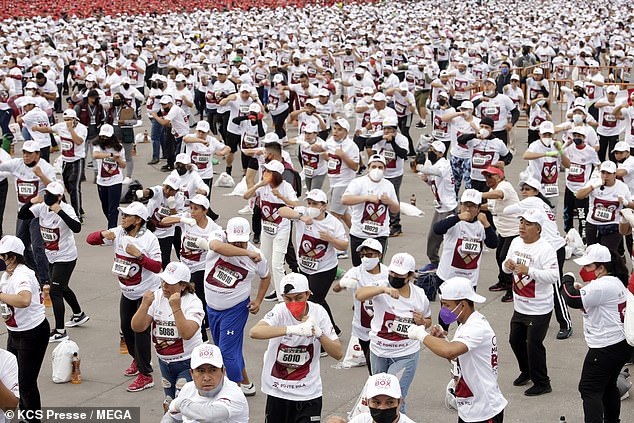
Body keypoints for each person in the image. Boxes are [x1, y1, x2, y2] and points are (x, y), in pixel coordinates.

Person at [408, 277, 507, 423]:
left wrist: (419, 334)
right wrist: (443, 341)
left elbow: (450, 351)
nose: (443, 310)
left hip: (485, 410)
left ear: (463, 305)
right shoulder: (464, 324)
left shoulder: (476, 327)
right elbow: (456, 357)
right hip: (469, 407)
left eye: (447, 305)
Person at [86, 201, 161, 392]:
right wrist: (102, 234)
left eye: (127, 216)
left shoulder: (150, 239)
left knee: (140, 331)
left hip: (146, 294)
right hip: (127, 291)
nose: (123, 218)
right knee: (125, 329)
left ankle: (146, 375)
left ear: (138, 220)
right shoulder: (119, 231)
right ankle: (137, 360)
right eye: (123, 215)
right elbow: (89, 240)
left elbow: (157, 267)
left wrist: (139, 256)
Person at [249, 273, 343, 422]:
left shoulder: (319, 313)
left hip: (308, 395)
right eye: (288, 298)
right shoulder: (280, 310)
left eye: (298, 297)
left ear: (307, 294)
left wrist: (319, 333)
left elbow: (338, 353)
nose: (293, 303)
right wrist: (293, 329)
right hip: (278, 392)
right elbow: (255, 332)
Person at [197, 217, 270, 396]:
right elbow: (216, 247)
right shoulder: (218, 236)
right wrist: (244, 253)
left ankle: (232, 395)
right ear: (226, 234)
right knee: (228, 349)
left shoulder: (258, 257)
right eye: (235, 240)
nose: (239, 243)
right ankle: (246, 383)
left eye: (242, 241)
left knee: (226, 353)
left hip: (235, 309)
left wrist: (259, 300)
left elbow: (266, 277)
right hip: (212, 308)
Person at [562, 244, 633, 423]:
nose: (584, 270)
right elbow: (589, 297)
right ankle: (612, 420)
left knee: (589, 389)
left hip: (605, 348)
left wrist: (567, 279)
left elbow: (572, 298)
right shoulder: (614, 281)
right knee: (608, 386)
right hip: (619, 345)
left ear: (602, 267)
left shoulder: (603, 285)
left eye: (588, 266)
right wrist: (580, 288)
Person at [355, 253, 432, 412]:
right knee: (378, 398)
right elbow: (359, 295)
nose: (394, 276)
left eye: (399, 274)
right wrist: (383, 290)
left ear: (410, 275)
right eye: (392, 272)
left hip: (406, 353)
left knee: (395, 398)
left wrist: (422, 322)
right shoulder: (381, 285)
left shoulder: (419, 296)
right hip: (378, 351)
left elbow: (428, 320)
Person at [501, 177, 572, 340]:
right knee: (538, 282)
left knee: (554, 286)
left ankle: (566, 324)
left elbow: (506, 211)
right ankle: (543, 316)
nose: (524, 192)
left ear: (536, 192)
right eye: (522, 189)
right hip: (542, 247)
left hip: (552, 248)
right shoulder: (541, 204)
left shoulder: (532, 202)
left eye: (528, 189)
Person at [17, 181, 88, 342]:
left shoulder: (67, 209)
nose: (47, 197)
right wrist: (30, 202)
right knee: (62, 287)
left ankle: (60, 331)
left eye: (51, 195)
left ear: (60, 197)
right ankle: (78, 314)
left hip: (66, 256)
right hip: (51, 255)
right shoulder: (41, 207)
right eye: (46, 193)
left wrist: (60, 211)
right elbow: (22, 215)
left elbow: (77, 228)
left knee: (55, 290)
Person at [131, 261, 205, 411]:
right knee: (169, 402)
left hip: (187, 362)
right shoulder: (158, 296)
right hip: (164, 362)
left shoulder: (193, 302)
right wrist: (144, 305)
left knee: (180, 406)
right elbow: (138, 326)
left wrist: (176, 307)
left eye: (170, 282)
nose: (164, 285)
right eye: (163, 280)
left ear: (183, 285)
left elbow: (187, 333)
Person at [502, 209, 558, 396]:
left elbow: (553, 276)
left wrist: (530, 271)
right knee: (515, 340)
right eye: (521, 222)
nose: (522, 226)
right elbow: (506, 266)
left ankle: (543, 382)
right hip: (520, 305)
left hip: (539, 307)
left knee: (534, 344)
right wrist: (507, 266)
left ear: (539, 228)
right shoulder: (516, 242)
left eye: (527, 224)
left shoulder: (545, 249)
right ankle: (526, 371)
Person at [279, 189, 348, 336]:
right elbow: (282, 211)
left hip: (324, 269)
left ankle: (323, 335)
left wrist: (331, 239)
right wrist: (301, 217)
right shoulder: (303, 213)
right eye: (309, 203)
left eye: (315, 204)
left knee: (314, 301)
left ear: (324, 206)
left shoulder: (333, 223)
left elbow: (344, 245)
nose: (311, 207)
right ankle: (333, 328)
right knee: (319, 300)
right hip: (304, 266)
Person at [0, 236, 49, 423]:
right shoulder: (8, 275)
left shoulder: (22, 274)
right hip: (15, 332)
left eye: (3, 257)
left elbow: (24, 300)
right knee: (14, 379)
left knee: (26, 383)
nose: (1, 260)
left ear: (12, 257)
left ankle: (32, 419)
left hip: (32, 334)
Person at [160, 194, 221, 341]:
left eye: (196, 209)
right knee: (187, 295)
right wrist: (181, 219)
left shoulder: (213, 228)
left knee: (196, 296)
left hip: (201, 267)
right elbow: (164, 221)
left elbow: (220, 246)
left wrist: (207, 246)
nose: (192, 211)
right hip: (184, 266)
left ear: (205, 210)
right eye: (191, 208)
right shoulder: (187, 218)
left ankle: (201, 332)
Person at [0, 141, 56, 290]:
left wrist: (41, 176)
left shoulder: (46, 168)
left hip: (38, 213)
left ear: (38, 155)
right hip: (23, 212)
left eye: (29, 153)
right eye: (24, 152)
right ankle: (33, 272)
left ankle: (45, 281)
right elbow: (3, 166)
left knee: (38, 246)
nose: (25, 156)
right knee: (20, 246)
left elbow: (56, 189)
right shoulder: (17, 164)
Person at [243, 160, 299, 302]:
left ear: (276, 175)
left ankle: (283, 298)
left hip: (282, 229)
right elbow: (246, 196)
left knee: (277, 263)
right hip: (267, 229)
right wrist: (259, 184)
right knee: (265, 260)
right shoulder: (263, 186)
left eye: (268, 172)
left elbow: (296, 205)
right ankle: (278, 288)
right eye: (265, 171)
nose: (265, 173)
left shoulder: (286, 187)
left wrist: (281, 197)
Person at [334, 238, 388, 373]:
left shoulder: (387, 272)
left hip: (384, 329)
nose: (365, 258)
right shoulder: (356, 271)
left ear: (379, 255)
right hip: (363, 329)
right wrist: (343, 283)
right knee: (373, 367)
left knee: (379, 364)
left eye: (369, 255)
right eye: (362, 255)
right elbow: (335, 289)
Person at [161, 344, 249, 423]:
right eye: (201, 371)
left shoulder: (233, 393)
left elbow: (210, 416)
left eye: (213, 370)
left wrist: (180, 404)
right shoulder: (187, 389)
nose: (206, 378)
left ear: (223, 371)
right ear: (192, 373)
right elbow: (173, 417)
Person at [342, 154, 399, 266]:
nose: (376, 170)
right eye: (373, 166)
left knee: (376, 267)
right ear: (368, 168)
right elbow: (345, 199)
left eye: (380, 167)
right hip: (359, 234)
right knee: (358, 267)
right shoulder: (358, 182)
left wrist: (389, 201)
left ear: (385, 170)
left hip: (380, 235)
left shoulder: (388, 185)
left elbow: (396, 209)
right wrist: (366, 198)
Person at [31, 108, 86, 221]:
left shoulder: (82, 128)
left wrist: (71, 129)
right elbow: (48, 129)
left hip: (77, 160)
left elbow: (79, 141)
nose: (67, 122)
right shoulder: (61, 126)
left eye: (69, 120)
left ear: (75, 119)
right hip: (65, 160)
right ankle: (77, 206)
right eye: (65, 120)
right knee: (67, 186)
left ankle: (77, 215)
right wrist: (37, 128)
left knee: (74, 186)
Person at [417, 140, 458, 273]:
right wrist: (427, 180)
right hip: (440, 207)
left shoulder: (443, 165)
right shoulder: (438, 164)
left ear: (441, 153)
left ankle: (449, 264)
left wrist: (419, 166)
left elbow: (434, 172)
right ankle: (435, 262)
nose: (430, 152)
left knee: (446, 238)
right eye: (430, 150)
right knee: (433, 236)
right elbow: (435, 182)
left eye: (433, 151)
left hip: (448, 208)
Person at [481, 166, 520, 303]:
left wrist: (479, 195)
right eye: (486, 176)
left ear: (499, 176)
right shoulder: (492, 190)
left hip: (514, 231)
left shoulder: (505, 186)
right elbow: (491, 206)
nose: (487, 179)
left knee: (505, 258)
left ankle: (513, 288)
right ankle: (503, 281)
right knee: (499, 256)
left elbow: (499, 195)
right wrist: (477, 206)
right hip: (503, 231)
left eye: (490, 176)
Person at [575, 161, 631, 251]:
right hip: (593, 224)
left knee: (607, 254)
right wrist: (592, 187)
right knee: (592, 254)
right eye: (603, 172)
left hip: (612, 225)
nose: (605, 176)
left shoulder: (622, 187)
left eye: (608, 173)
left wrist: (626, 203)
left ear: (614, 174)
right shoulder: (594, 182)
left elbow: (632, 206)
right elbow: (579, 196)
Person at [325, 373, 415, 423]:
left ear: (399, 402)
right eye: (376, 402)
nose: (382, 407)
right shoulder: (361, 420)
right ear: (367, 402)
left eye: (390, 402)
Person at [137, 175, 185, 269]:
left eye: (171, 190)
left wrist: (172, 207)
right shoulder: (159, 191)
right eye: (166, 187)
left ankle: (167, 280)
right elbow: (150, 192)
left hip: (167, 233)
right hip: (150, 230)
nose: (167, 191)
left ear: (176, 191)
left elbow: (177, 218)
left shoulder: (179, 198)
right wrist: (143, 193)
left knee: (164, 260)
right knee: (146, 256)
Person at [562, 127, 600, 241]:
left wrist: (593, 181)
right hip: (569, 186)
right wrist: (564, 146)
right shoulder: (569, 148)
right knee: (567, 214)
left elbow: (598, 165)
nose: (577, 138)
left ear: (584, 138)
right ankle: (569, 236)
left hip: (582, 189)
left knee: (582, 214)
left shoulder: (590, 151)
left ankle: (583, 238)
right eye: (575, 136)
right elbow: (562, 160)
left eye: (579, 136)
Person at [93, 124, 126, 229]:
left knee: (113, 208)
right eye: (102, 137)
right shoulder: (98, 146)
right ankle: (114, 227)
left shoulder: (119, 148)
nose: (104, 139)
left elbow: (123, 165)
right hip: (101, 181)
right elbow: (95, 155)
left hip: (115, 180)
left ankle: (111, 230)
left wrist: (118, 159)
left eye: (106, 137)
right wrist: (110, 155)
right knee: (105, 206)